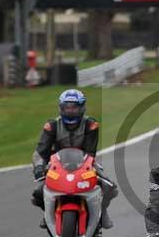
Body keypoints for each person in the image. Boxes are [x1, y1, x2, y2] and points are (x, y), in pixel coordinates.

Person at [31, 89, 116, 229]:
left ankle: (103, 212)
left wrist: (89, 166)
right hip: (57, 166)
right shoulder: (51, 126)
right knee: (38, 192)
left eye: (74, 107)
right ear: (61, 108)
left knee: (109, 186)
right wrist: (39, 167)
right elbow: (40, 152)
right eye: (67, 107)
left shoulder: (91, 125)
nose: (70, 111)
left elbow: (90, 152)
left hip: (85, 162)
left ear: (82, 107)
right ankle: (48, 212)